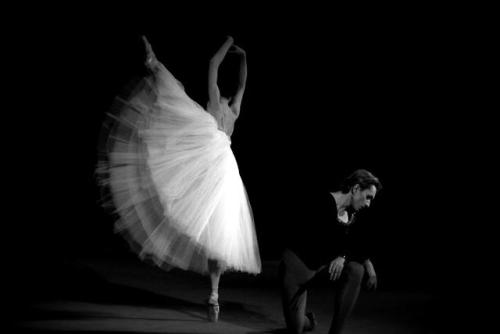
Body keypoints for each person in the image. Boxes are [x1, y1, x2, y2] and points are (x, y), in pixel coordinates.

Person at [97, 35, 261, 322]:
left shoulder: (217, 104)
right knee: (217, 235)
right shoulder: (232, 111)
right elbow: (241, 84)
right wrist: (244, 57)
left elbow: (215, 65)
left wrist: (229, 44)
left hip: (217, 167)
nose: (223, 94)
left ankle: (155, 63)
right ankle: (214, 295)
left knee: (217, 235)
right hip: (220, 168)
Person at [279, 169, 382, 334]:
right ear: (355, 189)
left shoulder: (351, 213)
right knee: (297, 328)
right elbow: (323, 243)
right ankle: (308, 321)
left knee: (356, 270)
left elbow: (355, 245)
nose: (368, 204)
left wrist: (368, 266)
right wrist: (341, 255)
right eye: (368, 197)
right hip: (296, 274)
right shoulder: (321, 202)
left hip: (318, 270)